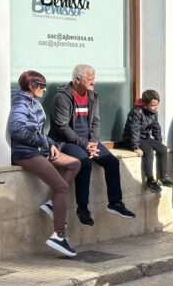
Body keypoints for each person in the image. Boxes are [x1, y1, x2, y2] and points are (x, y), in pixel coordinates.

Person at [49, 64, 135, 226]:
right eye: (90, 80)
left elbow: (96, 120)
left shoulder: (92, 96)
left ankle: (115, 203)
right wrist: (85, 145)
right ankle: (82, 207)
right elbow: (62, 127)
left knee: (112, 162)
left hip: (88, 141)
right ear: (77, 79)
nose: (93, 83)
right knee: (84, 162)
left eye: (94, 79)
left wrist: (94, 142)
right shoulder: (62, 97)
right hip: (67, 141)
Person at [9, 71, 81, 257]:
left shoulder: (32, 101)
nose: (44, 88)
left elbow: (39, 131)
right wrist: (42, 144)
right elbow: (17, 129)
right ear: (32, 86)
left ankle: (51, 204)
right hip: (26, 154)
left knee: (75, 163)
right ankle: (59, 235)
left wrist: (51, 144)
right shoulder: (21, 101)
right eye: (41, 85)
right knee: (62, 187)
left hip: (39, 150)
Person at [122, 89, 173, 193]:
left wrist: (158, 143)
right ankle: (150, 180)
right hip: (131, 139)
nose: (155, 107)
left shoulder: (153, 112)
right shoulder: (136, 112)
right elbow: (134, 130)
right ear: (144, 104)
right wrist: (135, 147)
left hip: (144, 137)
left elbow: (156, 128)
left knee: (163, 149)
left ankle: (164, 177)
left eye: (157, 105)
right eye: (152, 105)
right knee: (149, 151)